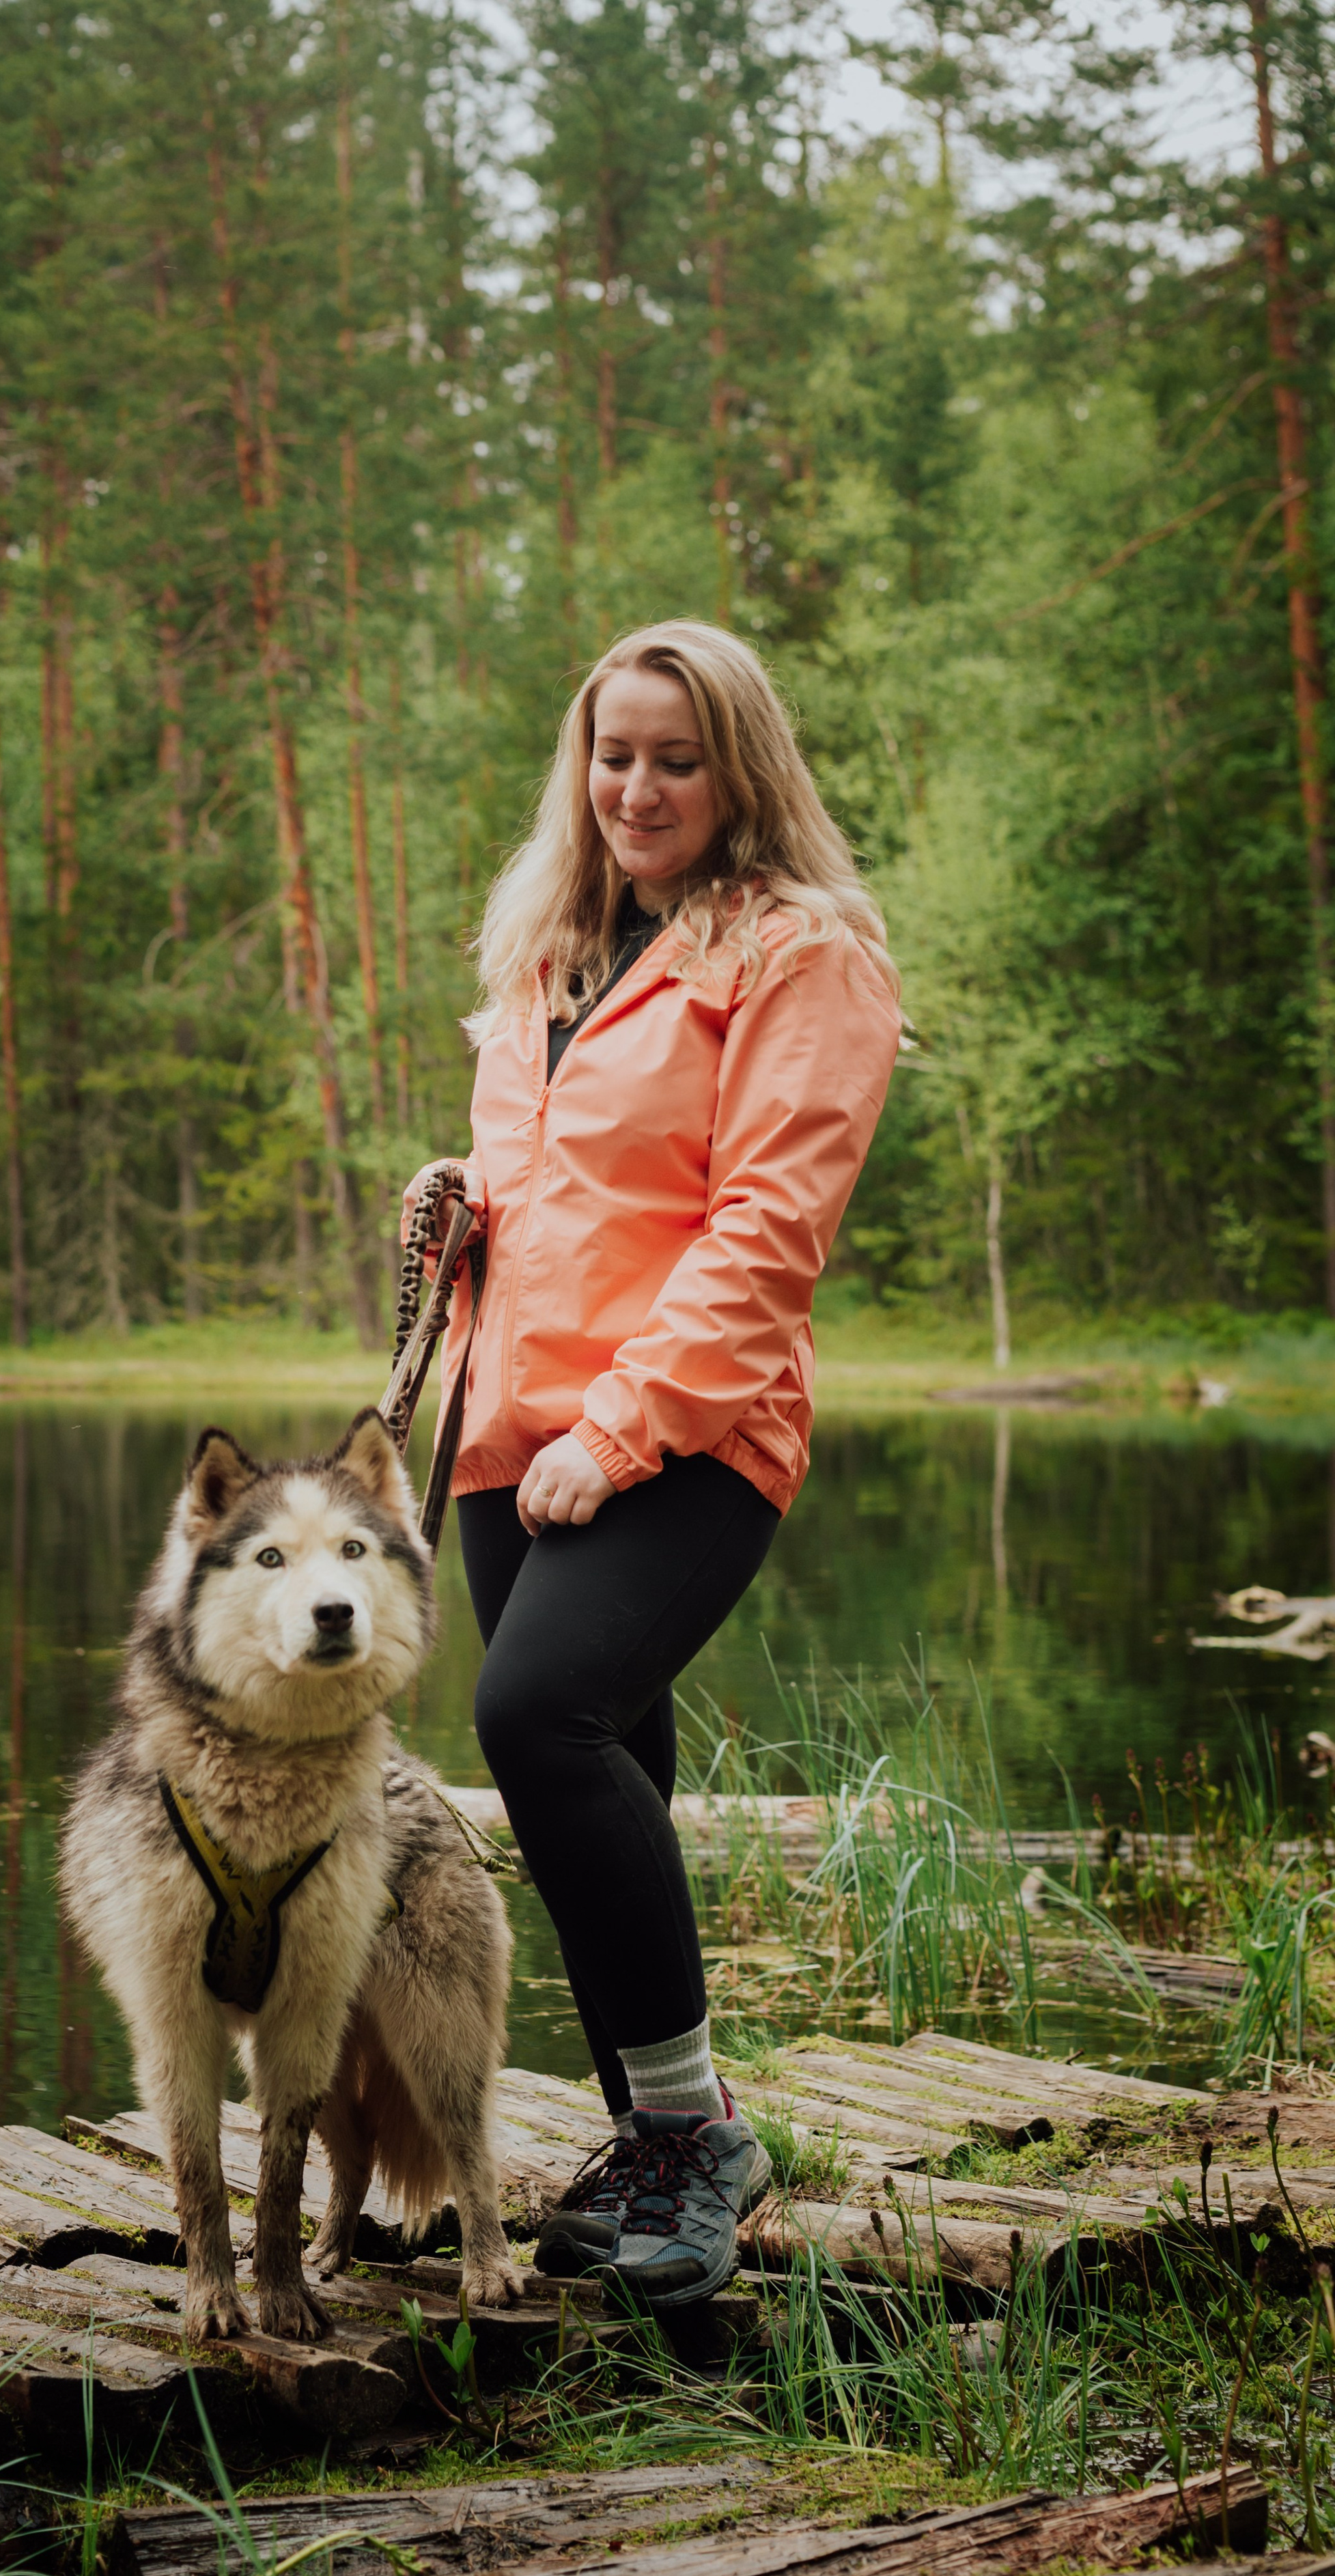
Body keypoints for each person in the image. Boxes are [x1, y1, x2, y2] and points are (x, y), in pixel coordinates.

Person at [406, 618, 900, 2309]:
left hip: (686, 1426)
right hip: (505, 1433)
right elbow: (557, 1196)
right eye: (611, 753)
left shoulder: (798, 953)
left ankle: (693, 2135)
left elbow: (766, 1231)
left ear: (738, 768)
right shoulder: (548, 945)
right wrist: (456, 1221)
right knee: (608, 1780)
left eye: (673, 757)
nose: (635, 787)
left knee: (528, 1716)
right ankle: (653, 2152)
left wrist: (618, 1432)